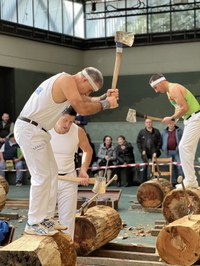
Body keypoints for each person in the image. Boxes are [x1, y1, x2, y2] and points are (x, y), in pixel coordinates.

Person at [14, 67, 119, 235]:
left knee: (51, 173)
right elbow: (83, 108)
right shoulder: (66, 80)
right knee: (42, 176)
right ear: (85, 80)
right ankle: (34, 222)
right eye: (90, 89)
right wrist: (106, 104)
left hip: (38, 131)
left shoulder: (68, 84)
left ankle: (45, 218)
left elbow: (85, 100)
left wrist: (104, 97)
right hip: (29, 129)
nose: (88, 93)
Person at [149, 73, 200, 189]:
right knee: (188, 150)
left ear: (160, 83)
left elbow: (185, 108)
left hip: (195, 118)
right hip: (190, 119)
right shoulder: (169, 92)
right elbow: (179, 109)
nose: (156, 91)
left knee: (183, 147)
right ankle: (192, 181)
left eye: (155, 88)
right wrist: (174, 119)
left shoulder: (174, 88)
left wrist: (171, 118)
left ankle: (191, 181)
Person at [49, 106, 92, 239]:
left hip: (69, 177)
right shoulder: (46, 128)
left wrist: (83, 169)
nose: (67, 125)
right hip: (48, 178)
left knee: (67, 219)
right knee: (45, 217)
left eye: (71, 121)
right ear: (57, 116)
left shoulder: (78, 131)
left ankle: (67, 252)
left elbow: (87, 150)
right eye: (65, 120)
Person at [161, 121, 184, 186]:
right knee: (172, 167)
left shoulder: (179, 131)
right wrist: (163, 149)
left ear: (174, 124)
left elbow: (182, 140)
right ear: (167, 124)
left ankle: (181, 181)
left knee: (179, 166)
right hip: (168, 152)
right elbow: (161, 141)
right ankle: (174, 182)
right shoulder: (164, 132)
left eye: (172, 123)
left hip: (177, 152)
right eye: (169, 123)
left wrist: (178, 148)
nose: (171, 125)